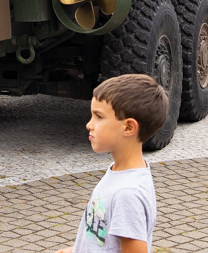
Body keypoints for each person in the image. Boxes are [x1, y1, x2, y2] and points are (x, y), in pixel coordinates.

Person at [55, 74, 167, 253]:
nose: (89, 125)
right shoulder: (119, 173)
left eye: (98, 116)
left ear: (129, 127)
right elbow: (104, 241)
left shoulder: (127, 194)